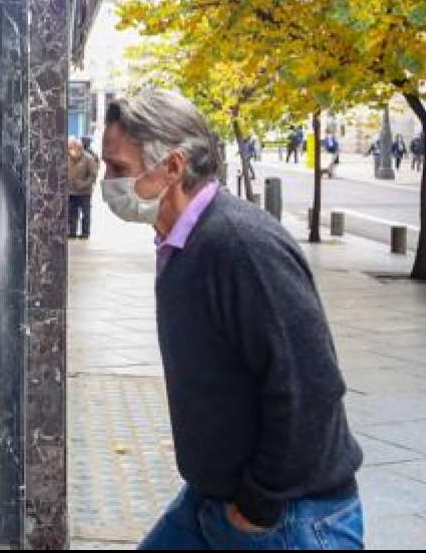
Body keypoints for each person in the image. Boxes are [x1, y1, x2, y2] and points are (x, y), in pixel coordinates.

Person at [101, 90, 364, 551]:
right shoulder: (185, 242)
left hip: (287, 518)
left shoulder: (240, 246)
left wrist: (257, 505)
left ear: (174, 167)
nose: (108, 181)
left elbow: (311, 387)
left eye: (119, 169)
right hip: (216, 499)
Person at [67, 137, 100, 239]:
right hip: (71, 192)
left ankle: (85, 233)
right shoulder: (67, 158)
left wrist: (83, 184)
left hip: (84, 192)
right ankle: (72, 232)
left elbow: (93, 176)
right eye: (70, 148)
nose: (72, 150)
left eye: (74, 147)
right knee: (72, 213)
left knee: (85, 213)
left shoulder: (89, 159)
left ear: (79, 148)